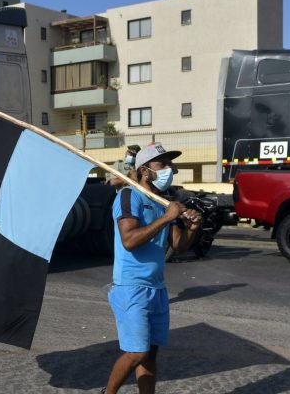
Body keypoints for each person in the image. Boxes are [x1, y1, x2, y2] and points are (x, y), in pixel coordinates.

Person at [103, 142, 201, 394]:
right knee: (136, 352)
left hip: (157, 288)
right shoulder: (129, 196)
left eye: (171, 164)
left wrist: (192, 228)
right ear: (145, 171)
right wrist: (167, 217)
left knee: (149, 354)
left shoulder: (162, 202)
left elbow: (178, 245)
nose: (170, 169)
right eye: (163, 164)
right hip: (131, 287)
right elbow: (129, 240)